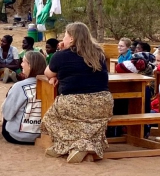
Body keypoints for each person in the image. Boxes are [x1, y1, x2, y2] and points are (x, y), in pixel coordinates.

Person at [42, 22, 113, 163]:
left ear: (72, 39)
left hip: (74, 102)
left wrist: (57, 59)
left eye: (65, 36)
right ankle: (74, 148)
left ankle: (73, 146)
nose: (63, 39)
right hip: (103, 103)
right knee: (88, 124)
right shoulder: (98, 53)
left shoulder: (61, 56)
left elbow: (47, 72)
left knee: (49, 120)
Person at [1, 52, 47, 145]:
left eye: (23, 62)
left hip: (16, 136)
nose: (21, 64)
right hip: (41, 135)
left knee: (8, 108)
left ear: (30, 65)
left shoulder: (19, 86)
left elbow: (7, 115)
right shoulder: (50, 86)